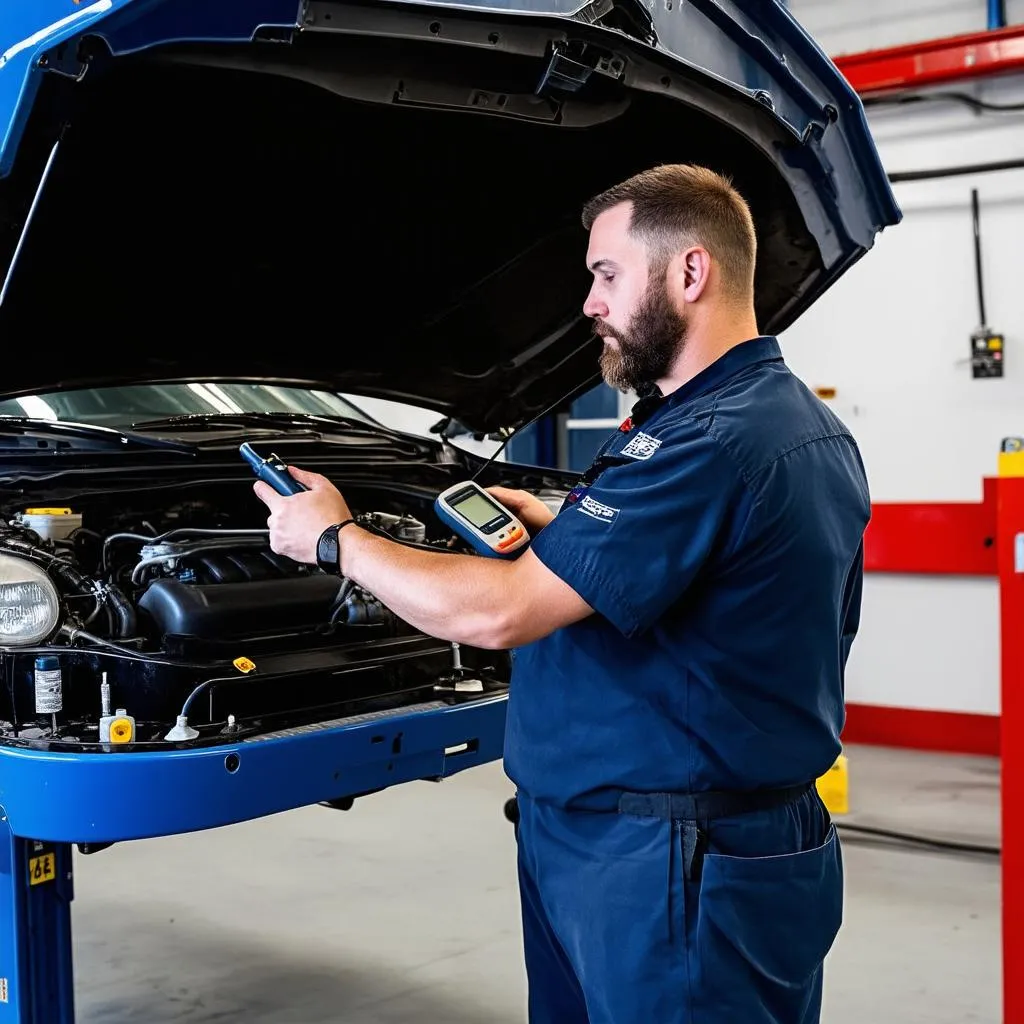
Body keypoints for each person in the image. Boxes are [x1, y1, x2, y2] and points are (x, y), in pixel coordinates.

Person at [254, 163, 871, 1024]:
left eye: (606, 274)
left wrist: (336, 538)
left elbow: (497, 613)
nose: (588, 303)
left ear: (691, 273)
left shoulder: (708, 442)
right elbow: (703, 583)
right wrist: (564, 528)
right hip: (648, 844)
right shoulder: (784, 423)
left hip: (671, 866)